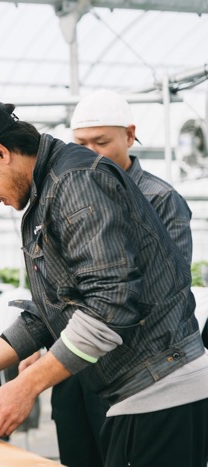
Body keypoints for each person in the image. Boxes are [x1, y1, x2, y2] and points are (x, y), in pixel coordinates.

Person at [0, 98, 208, 466]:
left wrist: (27, 385)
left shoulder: (75, 182)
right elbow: (51, 312)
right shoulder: (48, 192)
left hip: (160, 391)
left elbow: (109, 305)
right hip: (137, 393)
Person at [30, 89, 195, 467]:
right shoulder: (64, 198)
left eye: (101, 142)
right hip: (72, 367)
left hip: (132, 374)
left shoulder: (159, 198)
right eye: (80, 143)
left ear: (130, 134)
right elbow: (60, 291)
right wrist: (45, 350)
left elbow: (162, 293)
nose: (90, 153)